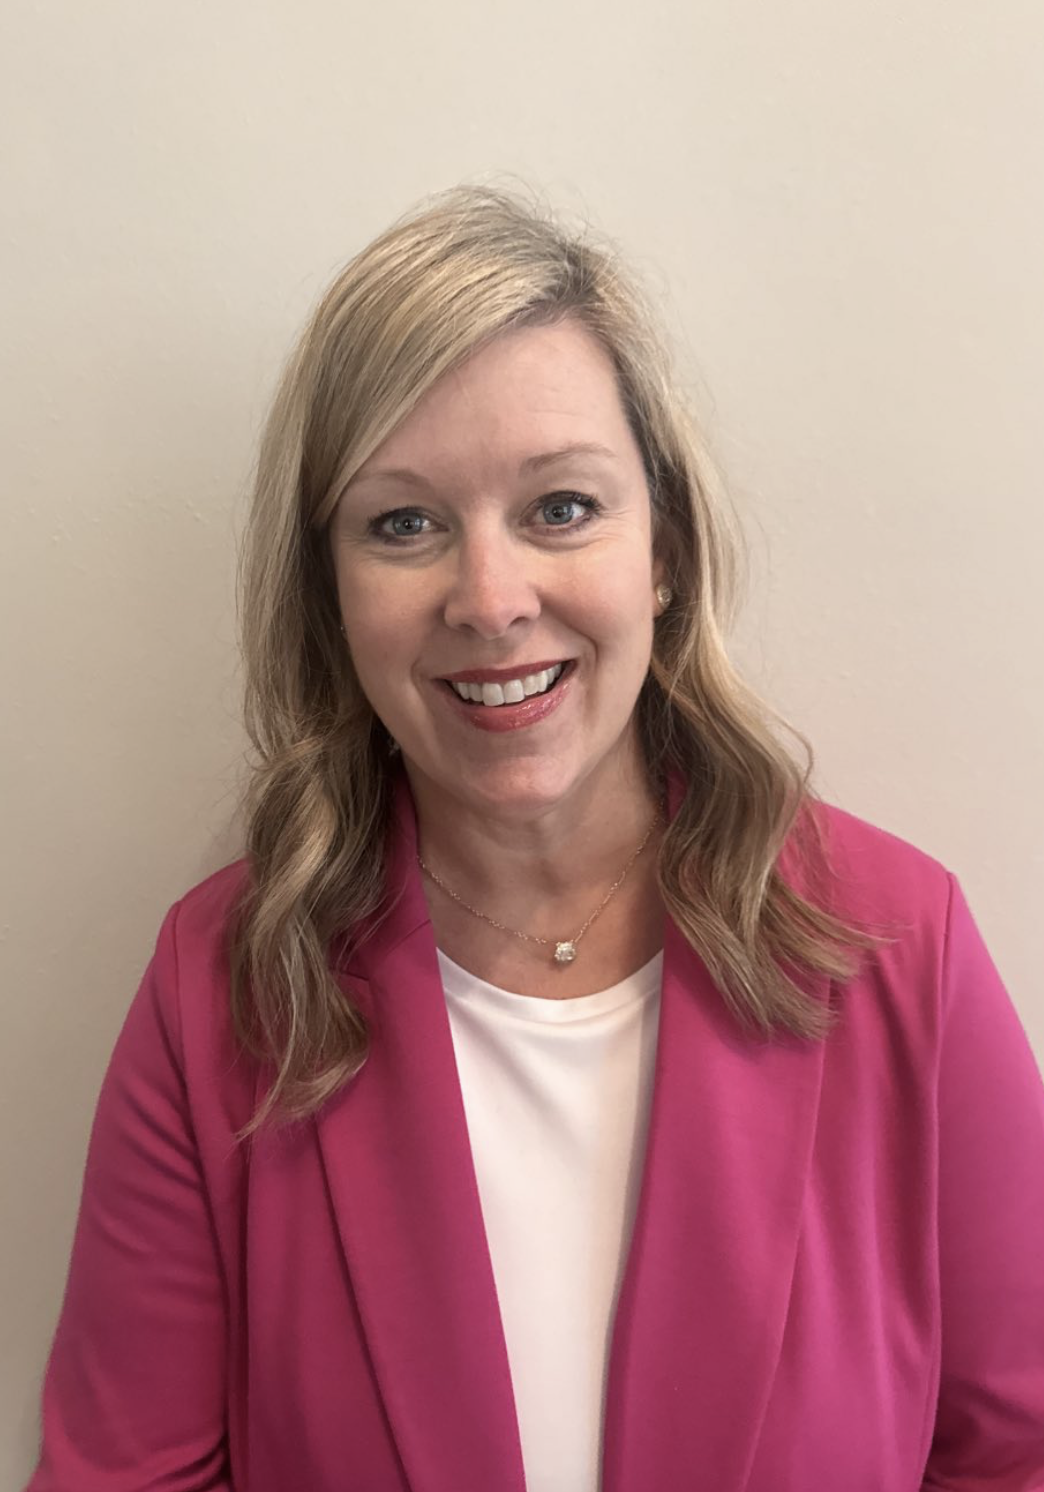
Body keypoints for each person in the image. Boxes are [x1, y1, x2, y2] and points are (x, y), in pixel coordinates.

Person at [27, 187, 1044, 1492]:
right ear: (330, 598)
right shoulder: (220, 994)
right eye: (404, 524)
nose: (493, 600)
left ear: (663, 551)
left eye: (561, 508)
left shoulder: (903, 948)